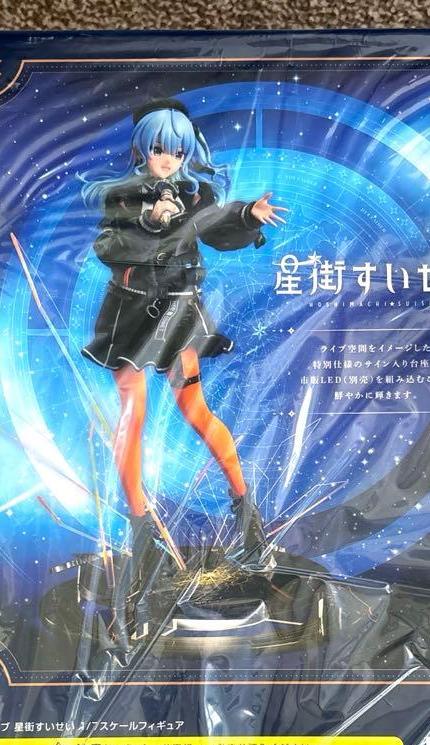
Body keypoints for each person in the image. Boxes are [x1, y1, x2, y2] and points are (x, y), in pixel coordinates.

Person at [80, 98, 286, 634]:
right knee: (133, 412)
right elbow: (108, 246)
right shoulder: (122, 195)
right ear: (142, 150)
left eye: (176, 150)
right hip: (129, 316)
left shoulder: (197, 194)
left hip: (177, 317)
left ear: (188, 152)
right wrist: (149, 221)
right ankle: (141, 532)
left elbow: (217, 227)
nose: (167, 159)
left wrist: (247, 215)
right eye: (158, 149)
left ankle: (248, 519)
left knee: (195, 409)